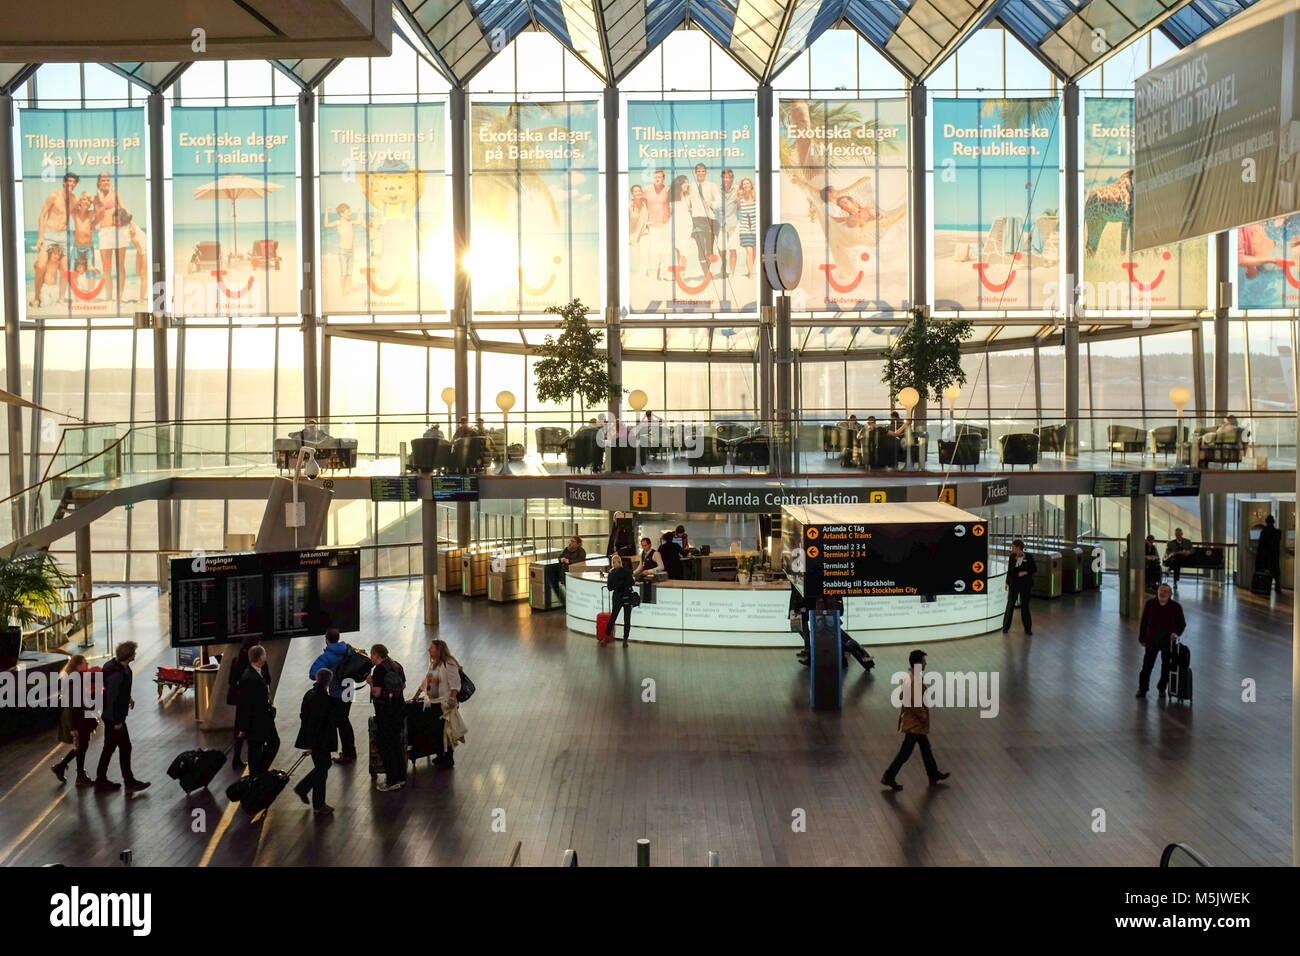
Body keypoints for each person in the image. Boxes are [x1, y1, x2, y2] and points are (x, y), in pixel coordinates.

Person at [881, 649, 950, 791]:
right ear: (918, 663)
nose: (926, 664)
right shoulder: (915, 680)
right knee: (905, 752)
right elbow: (915, 703)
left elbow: (902, 696)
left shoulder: (909, 676)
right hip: (915, 724)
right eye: (924, 661)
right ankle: (889, 775)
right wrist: (923, 716)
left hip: (912, 722)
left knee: (925, 748)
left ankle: (933, 773)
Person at [93, 641, 150, 793]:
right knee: (125, 747)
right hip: (114, 718)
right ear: (129, 655)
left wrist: (128, 697)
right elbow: (113, 698)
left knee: (110, 747)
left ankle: (102, 780)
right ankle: (129, 782)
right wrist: (117, 721)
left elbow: (118, 692)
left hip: (111, 716)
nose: (135, 654)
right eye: (134, 652)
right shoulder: (118, 675)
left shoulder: (115, 667)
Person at [309, 628, 358, 764]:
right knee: (344, 720)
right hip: (349, 689)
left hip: (337, 693)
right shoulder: (348, 649)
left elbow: (313, 674)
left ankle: (349, 753)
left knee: (341, 723)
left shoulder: (327, 656)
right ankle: (350, 751)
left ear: (326, 639)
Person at [292, 668, 337, 814]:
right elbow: (320, 724)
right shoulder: (322, 699)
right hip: (320, 741)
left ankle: (317, 801)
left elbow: (304, 716)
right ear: (328, 681)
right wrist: (314, 745)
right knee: (323, 767)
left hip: (312, 739)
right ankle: (309, 794)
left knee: (322, 768)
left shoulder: (310, 694)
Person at [413, 639, 462, 769]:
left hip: (444, 704)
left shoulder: (448, 663)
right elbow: (427, 680)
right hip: (434, 703)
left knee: (445, 732)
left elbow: (455, 683)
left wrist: (452, 697)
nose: (429, 650)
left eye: (432, 648)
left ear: (439, 650)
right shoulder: (434, 664)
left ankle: (447, 757)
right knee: (436, 731)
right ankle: (441, 755)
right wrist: (418, 694)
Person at [32, 172, 78, 307]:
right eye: (68, 181)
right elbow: (42, 215)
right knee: (40, 266)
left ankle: (61, 299)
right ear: (64, 182)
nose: (71, 184)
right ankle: (36, 297)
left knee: (65, 269)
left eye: (73, 182)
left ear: (75, 184)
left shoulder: (74, 200)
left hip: (63, 237)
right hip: (49, 234)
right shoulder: (54, 195)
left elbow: (79, 215)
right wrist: (41, 236)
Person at [51, 655, 97, 787]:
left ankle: (64, 768)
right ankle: (78, 774)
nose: (87, 663)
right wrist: (72, 727)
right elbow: (72, 705)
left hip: (80, 717)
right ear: (78, 665)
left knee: (82, 746)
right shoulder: (74, 681)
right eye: (84, 662)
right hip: (78, 719)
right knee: (82, 746)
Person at [366, 644, 407, 791]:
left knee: (386, 746)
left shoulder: (378, 670)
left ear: (376, 655)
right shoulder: (396, 665)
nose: (371, 658)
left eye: (372, 655)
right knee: (396, 744)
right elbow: (403, 686)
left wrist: (371, 683)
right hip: (398, 710)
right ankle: (401, 777)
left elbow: (376, 693)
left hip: (385, 713)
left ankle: (392, 780)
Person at [1136, 583, 1186, 698]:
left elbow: (1181, 624)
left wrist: (1176, 633)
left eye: (1165, 591)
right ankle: (1142, 688)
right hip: (1151, 640)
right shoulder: (1150, 604)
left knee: (1166, 667)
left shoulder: (1176, 607)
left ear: (1170, 594)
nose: (1162, 593)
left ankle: (1162, 688)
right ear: (1157, 592)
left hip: (1167, 641)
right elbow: (1144, 622)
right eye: (1160, 590)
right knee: (1147, 666)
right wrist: (1142, 637)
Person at [227, 632, 267, 772]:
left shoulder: (237, 660)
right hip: (254, 704)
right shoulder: (256, 666)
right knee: (254, 733)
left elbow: (231, 681)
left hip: (241, 702)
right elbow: (267, 680)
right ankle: (255, 764)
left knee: (240, 729)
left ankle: (236, 758)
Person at [236, 645, 279, 774]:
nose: (266, 656)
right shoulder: (249, 678)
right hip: (256, 721)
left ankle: (259, 771)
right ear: (260, 657)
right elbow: (245, 704)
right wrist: (243, 727)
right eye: (264, 654)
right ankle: (256, 774)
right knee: (257, 747)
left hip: (263, 718)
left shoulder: (259, 672)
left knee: (269, 743)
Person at [686, 163, 722, 277]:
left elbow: (720, 202)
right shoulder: (690, 186)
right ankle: (706, 273)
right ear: (695, 173)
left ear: (705, 173)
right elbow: (686, 200)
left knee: (709, 249)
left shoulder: (712, 185)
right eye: (698, 171)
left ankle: (708, 269)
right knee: (701, 246)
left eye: (703, 171)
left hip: (709, 218)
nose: (701, 173)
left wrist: (712, 203)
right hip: (696, 219)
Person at [324, 202, 361, 296]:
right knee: (344, 272)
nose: (350, 213)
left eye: (350, 212)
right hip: (343, 251)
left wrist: (359, 212)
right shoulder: (338, 223)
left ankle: (350, 289)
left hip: (351, 251)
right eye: (348, 212)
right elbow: (327, 225)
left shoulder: (350, 222)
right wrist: (327, 213)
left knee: (349, 273)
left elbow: (359, 222)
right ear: (342, 214)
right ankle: (343, 290)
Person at [644, 169, 673, 281]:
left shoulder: (667, 189)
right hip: (653, 225)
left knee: (666, 250)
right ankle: (656, 271)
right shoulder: (646, 190)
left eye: (659, 177)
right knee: (655, 251)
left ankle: (664, 274)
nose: (657, 179)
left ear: (663, 178)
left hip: (666, 223)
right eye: (655, 177)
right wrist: (646, 221)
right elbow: (640, 204)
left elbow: (675, 201)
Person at [1002, 539, 1035, 635]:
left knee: (1025, 607)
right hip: (1014, 584)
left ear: (1018, 547)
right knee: (1010, 606)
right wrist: (1007, 582)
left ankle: (1028, 629)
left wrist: (1025, 572)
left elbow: (1034, 569)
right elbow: (1009, 570)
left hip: (1025, 585)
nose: (1012, 549)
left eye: (1013, 547)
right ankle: (1005, 627)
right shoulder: (1012, 557)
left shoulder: (1029, 557)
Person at [602, 553, 636, 645]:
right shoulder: (626, 571)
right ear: (621, 562)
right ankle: (625, 640)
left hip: (617, 597)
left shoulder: (611, 573)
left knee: (613, 618)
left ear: (612, 563)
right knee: (627, 619)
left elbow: (609, 588)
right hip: (627, 596)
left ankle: (606, 637)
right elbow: (632, 582)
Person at [550, 535, 586, 606]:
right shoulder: (567, 549)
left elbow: (581, 560)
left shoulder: (581, 551)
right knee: (567, 587)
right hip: (565, 571)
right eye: (571, 541)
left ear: (578, 543)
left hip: (575, 572)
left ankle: (576, 603)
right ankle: (569, 603)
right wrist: (561, 559)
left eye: (573, 541)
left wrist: (570, 561)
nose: (571, 542)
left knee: (574, 588)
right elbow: (560, 556)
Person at [719, 169, 740, 277]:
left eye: (728, 177)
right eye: (724, 177)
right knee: (721, 249)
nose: (726, 179)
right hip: (721, 224)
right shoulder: (718, 190)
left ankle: (731, 272)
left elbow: (741, 207)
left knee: (733, 249)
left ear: (732, 179)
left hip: (734, 224)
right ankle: (723, 264)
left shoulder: (737, 190)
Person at [1257, 514, 1283, 593]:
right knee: (1276, 572)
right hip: (1275, 555)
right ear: (1273, 521)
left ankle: (1266, 588)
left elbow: (1261, 545)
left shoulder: (1264, 531)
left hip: (1266, 556)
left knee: (1266, 572)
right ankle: (1278, 588)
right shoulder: (1278, 532)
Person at [629, 184, 650, 278]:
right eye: (636, 191)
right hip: (632, 235)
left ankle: (643, 273)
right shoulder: (628, 205)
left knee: (645, 250)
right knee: (637, 255)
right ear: (632, 194)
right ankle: (642, 271)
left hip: (644, 232)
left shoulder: (645, 203)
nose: (638, 193)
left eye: (639, 191)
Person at [737, 177, 757, 277]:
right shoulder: (740, 200)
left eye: (747, 183)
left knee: (754, 250)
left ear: (751, 185)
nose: (746, 185)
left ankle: (750, 270)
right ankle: (751, 273)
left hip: (755, 227)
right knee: (748, 251)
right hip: (744, 227)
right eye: (744, 184)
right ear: (742, 186)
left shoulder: (756, 198)